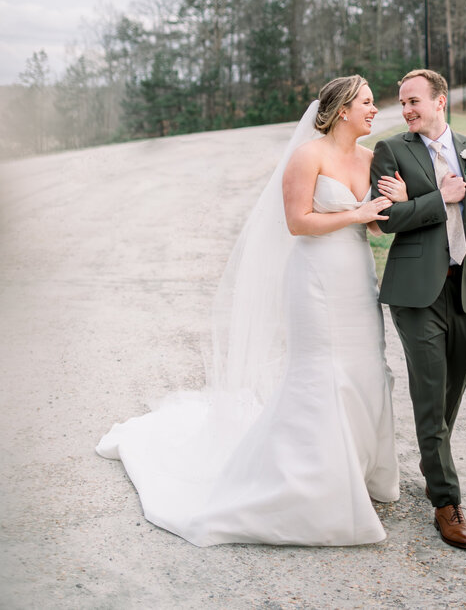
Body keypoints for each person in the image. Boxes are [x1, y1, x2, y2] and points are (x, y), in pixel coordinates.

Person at [97, 75, 401, 546]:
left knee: (363, 367)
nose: (373, 109)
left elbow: (377, 226)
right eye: (366, 102)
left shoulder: (370, 157)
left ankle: (357, 470)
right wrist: (356, 214)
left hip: (356, 278)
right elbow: (298, 222)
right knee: (322, 371)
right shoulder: (308, 155)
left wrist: (391, 205)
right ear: (342, 110)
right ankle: (309, 483)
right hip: (316, 278)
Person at [371, 68, 466, 550]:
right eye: (402, 103)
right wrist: (441, 198)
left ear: (441, 101)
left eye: (414, 101)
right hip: (416, 293)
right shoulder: (391, 151)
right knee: (431, 393)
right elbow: (386, 219)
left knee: (451, 392)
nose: (407, 110)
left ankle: (434, 457)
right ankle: (446, 501)